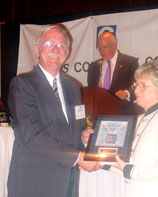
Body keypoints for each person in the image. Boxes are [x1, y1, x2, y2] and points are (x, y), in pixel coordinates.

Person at [7, 24, 101, 197]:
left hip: (67, 181)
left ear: (67, 53)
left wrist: (82, 135)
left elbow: (75, 127)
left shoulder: (73, 88)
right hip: (35, 181)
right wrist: (78, 157)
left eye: (61, 46)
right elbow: (33, 135)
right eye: (49, 44)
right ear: (37, 50)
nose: (56, 50)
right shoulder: (23, 85)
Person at [113, 60, 158, 197]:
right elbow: (132, 164)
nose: (136, 90)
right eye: (136, 85)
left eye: (143, 86)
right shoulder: (140, 119)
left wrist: (129, 170)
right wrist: (104, 164)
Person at [87, 31, 143, 115]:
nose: (101, 51)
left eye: (104, 47)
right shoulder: (94, 66)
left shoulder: (130, 62)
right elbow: (91, 91)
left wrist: (126, 93)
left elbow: (138, 85)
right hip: (100, 114)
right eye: (99, 48)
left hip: (123, 113)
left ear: (114, 46)